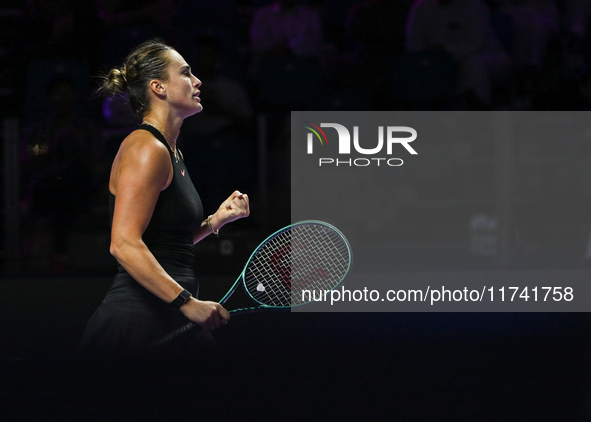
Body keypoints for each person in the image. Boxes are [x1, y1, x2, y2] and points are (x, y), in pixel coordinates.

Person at [79, 39, 250, 358]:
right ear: (158, 87)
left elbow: (166, 242)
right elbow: (124, 243)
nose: (198, 81)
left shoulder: (171, 151)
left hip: (170, 315)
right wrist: (187, 302)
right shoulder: (146, 148)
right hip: (136, 321)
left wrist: (216, 221)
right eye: (186, 73)